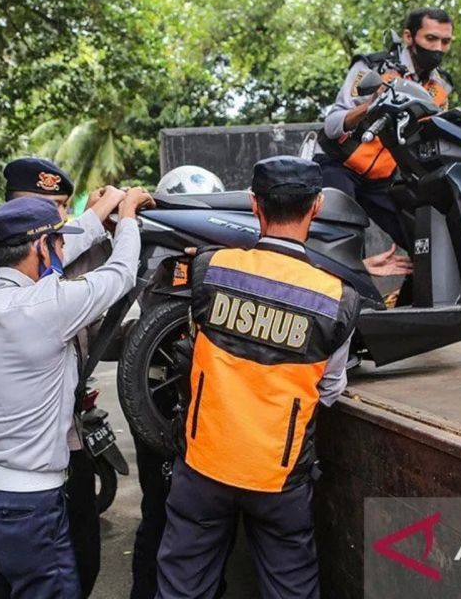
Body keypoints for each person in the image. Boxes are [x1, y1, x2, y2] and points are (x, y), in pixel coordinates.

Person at [154, 157, 363, 599]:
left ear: (254, 205)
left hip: (203, 467)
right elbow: (330, 389)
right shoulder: (339, 299)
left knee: (182, 589)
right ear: (318, 206)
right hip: (279, 477)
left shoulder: (211, 269)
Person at [0, 188, 154, 598]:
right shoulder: (51, 306)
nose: (66, 249)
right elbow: (121, 274)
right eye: (60, 241)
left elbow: (17, 251)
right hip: (24, 505)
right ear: (42, 247)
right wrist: (128, 213)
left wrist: (96, 213)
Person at [317, 7, 455, 254]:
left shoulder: (440, 87)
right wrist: (371, 106)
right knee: (344, 238)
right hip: (340, 164)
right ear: (409, 37)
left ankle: (415, 293)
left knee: (425, 240)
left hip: (384, 179)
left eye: (445, 41)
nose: (438, 48)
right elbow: (332, 123)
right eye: (431, 39)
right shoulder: (373, 67)